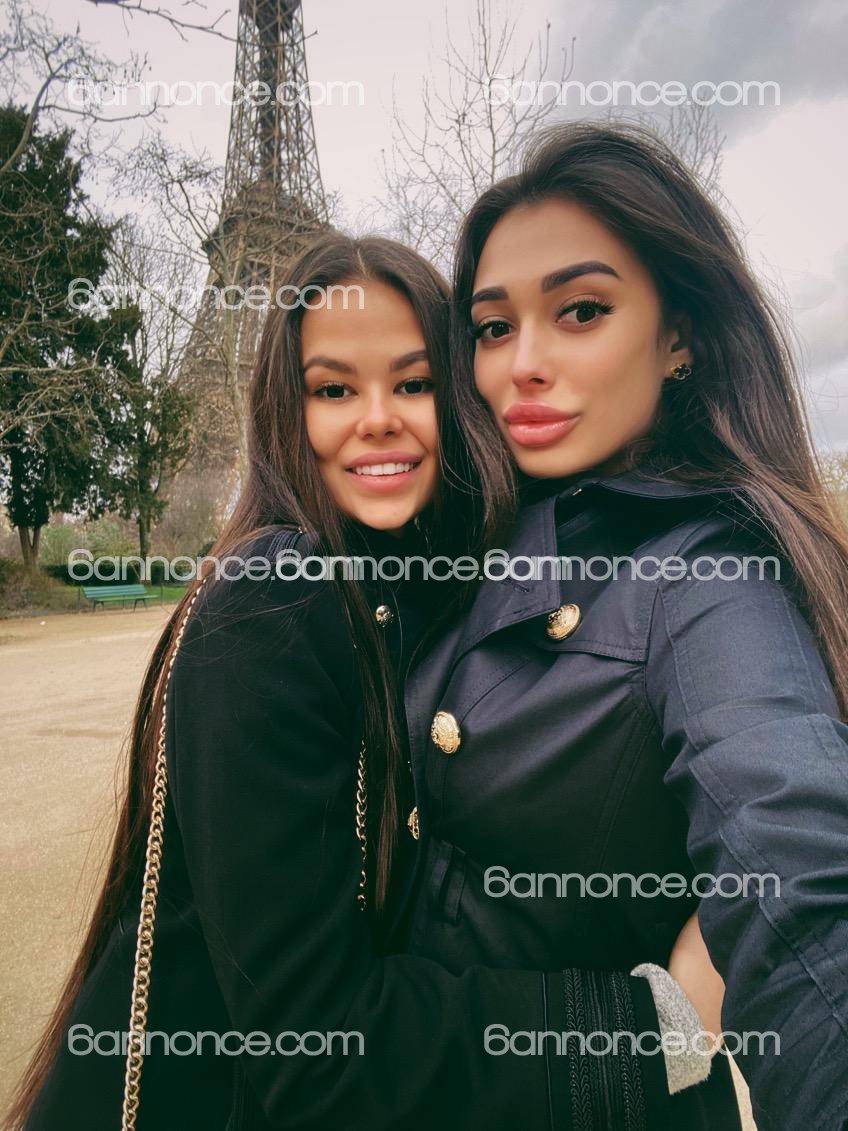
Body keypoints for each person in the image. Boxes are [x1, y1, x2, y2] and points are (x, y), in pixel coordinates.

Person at [8, 231, 719, 1131]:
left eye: (414, 384)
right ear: (287, 410)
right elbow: (322, 1048)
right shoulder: (272, 600)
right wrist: (654, 1028)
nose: (378, 418)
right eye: (334, 389)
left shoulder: (398, 592)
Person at [399, 121, 848, 1131]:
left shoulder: (709, 577)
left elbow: (800, 872)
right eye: (492, 327)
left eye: (581, 311)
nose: (522, 364)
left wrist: (671, 1025)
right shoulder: (460, 534)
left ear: (679, 337)